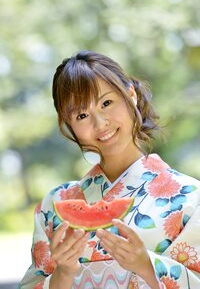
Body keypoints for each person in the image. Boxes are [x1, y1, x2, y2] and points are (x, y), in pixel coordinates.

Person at [19, 50, 200, 289]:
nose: (100, 123)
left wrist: (147, 265)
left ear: (130, 95)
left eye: (106, 103)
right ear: (69, 125)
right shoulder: (53, 205)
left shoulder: (190, 196)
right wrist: (63, 273)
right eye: (82, 115)